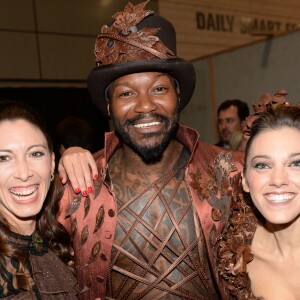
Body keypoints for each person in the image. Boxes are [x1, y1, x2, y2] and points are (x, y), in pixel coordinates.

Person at [57, 1, 244, 299]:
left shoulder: (235, 174)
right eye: (127, 93)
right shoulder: (77, 188)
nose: (145, 106)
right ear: (109, 107)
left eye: (159, 89)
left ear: (178, 96)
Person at [218, 96, 300, 299]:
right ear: (244, 180)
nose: (278, 180)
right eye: (262, 165)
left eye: (296, 163)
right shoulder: (232, 260)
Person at [0, 100, 78, 298]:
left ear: (52, 163)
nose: (24, 173)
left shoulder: (61, 242)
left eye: (35, 154)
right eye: (3, 158)